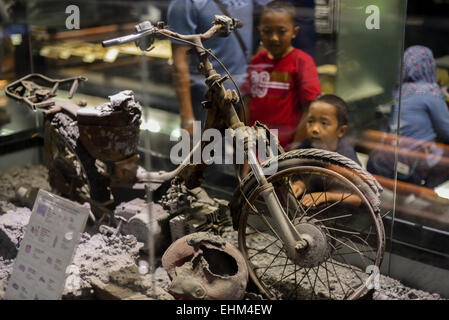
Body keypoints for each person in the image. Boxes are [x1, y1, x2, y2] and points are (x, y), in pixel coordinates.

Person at [167, 0, 270, 136]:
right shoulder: (186, 3)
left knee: (245, 152)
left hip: (243, 95)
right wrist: (187, 119)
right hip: (206, 100)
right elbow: (179, 61)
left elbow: (274, 9)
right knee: (204, 153)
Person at [240, 0, 321, 151]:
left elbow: (310, 109)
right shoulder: (258, 61)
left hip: (285, 149)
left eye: (281, 31)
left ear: (294, 32)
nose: (274, 38)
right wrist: (245, 143)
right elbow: (247, 101)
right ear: (260, 30)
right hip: (255, 148)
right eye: (267, 31)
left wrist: (294, 148)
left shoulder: (302, 62)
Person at [367, 45, 449, 188]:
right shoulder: (431, 93)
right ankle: (427, 193)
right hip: (415, 163)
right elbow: (446, 131)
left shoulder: (400, 90)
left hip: (389, 157)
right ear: (429, 65)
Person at [291, 94, 362, 207]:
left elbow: (359, 198)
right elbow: (299, 173)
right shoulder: (307, 145)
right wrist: (301, 184)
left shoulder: (345, 156)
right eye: (310, 121)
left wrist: (326, 196)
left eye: (324, 123)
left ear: (341, 131)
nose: (314, 129)